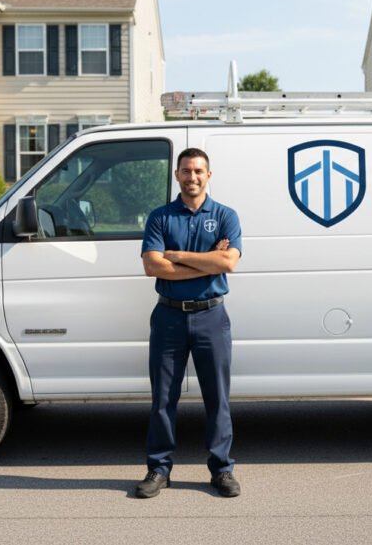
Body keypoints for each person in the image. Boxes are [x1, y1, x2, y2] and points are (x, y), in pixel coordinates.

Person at [136, 147, 243, 498]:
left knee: (218, 398)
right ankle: (158, 469)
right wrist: (207, 259)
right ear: (177, 175)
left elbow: (228, 264)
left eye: (198, 171)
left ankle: (222, 469)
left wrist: (179, 256)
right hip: (168, 316)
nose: (192, 176)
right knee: (163, 398)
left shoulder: (226, 216)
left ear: (208, 175)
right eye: (186, 171)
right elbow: (153, 266)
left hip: (212, 315)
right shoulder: (160, 217)